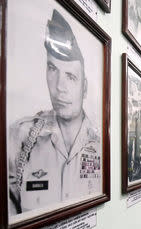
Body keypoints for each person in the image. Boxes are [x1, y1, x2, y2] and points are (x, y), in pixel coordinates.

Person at [8, 10, 101, 215]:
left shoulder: (102, 145)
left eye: (70, 76)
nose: (59, 87)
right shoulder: (20, 138)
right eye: (52, 69)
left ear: (84, 87)